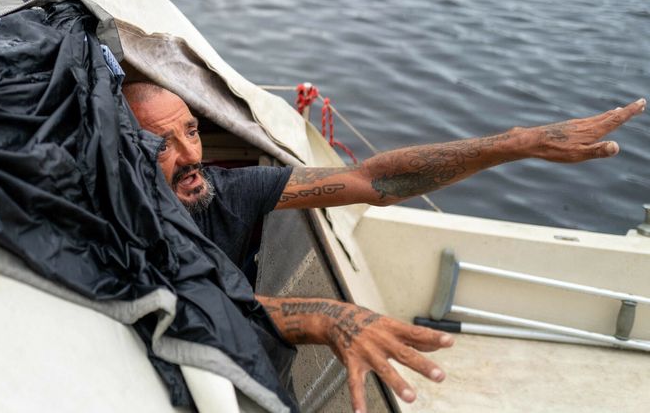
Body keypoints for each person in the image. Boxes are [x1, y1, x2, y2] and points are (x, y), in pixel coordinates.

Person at [123, 81, 646, 413]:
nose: (190, 154)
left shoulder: (225, 192)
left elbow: (372, 182)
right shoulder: (112, 221)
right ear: (122, 154)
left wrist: (516, 144)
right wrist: (322, 316)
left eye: (192, 130)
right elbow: (175, 294)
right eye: (162, 144)